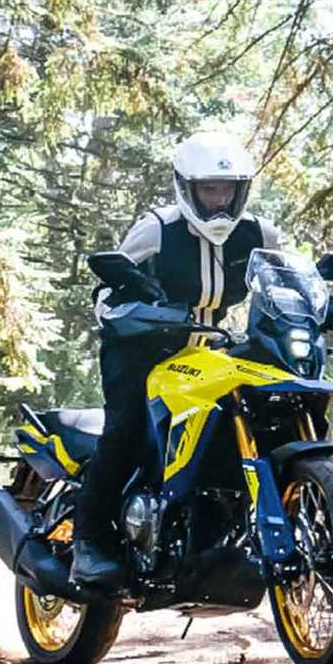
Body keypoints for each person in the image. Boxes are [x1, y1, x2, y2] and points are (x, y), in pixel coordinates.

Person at [70, 131, 284, 589]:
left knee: (259, 413)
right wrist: (140, 305)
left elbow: (287, 281)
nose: (220, 200)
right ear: (186, 188)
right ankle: (87, 543)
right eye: (209, 189)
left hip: (211, 353)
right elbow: (106, 295)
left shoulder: (259, 234)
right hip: (141, 352)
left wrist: (321, 299)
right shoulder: (158, 229)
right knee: (126, 428)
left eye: (228, 190)